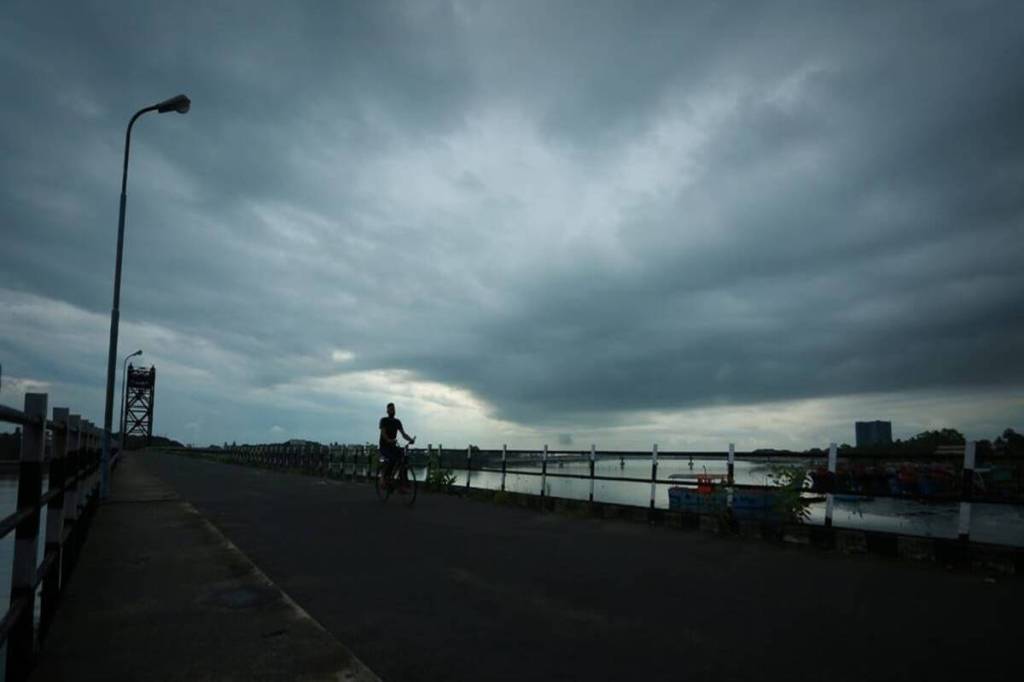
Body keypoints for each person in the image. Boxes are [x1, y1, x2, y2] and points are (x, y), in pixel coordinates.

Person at [379, 402, 415, 491]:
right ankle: (386, 477)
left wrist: (410, 439)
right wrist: (388, 440)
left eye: (394, 409)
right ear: (387, 411)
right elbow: (383, 432)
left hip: (392, 446)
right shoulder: (384, 420)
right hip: (384, 446)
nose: (392, 411)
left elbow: (403, 434)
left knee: (404, 458)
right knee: (392, 459)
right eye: (390, 409)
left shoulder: (397, 422)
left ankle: (403, 481)